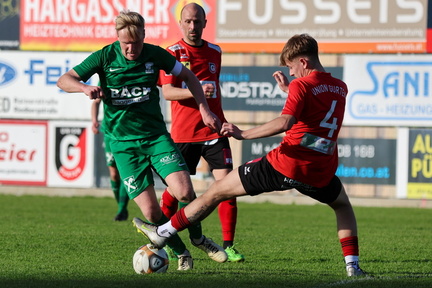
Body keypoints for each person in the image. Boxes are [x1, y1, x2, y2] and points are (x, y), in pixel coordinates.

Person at [133, 33, 367, 277]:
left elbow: (286, 121)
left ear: (304, 62)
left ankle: (163, 233)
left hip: (285, 165)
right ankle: (353, 267)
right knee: (343, 207)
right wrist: (291, 91)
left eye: (291, 67)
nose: (292, 74)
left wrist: (243, 134)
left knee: (216, 191)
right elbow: (316, 111)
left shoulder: (301, 84)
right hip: (320, 170)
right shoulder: (340, 87)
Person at [56, 10, 227, 271]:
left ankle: (199, 238)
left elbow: (190, 77)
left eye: (136, 42)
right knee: (151, 213)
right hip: (123, 145)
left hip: (156, 138)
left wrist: (204, 109)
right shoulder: (104, 56)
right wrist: (84, 87)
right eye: (126, 43)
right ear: (118, 38)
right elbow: (64, 79)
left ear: (144, 37)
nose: (131, 48)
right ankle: (181, 252)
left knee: (185, 191)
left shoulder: (154, 53)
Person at [158, 3, 244, 262]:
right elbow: (168, 92)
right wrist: (195, 91)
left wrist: (219, 116)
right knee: (175, 191)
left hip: (214, 130)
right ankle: (166, 238)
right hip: (185, 133)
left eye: (197, 21)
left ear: (205, 23)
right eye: (188, 21)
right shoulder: (172, 52)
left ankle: (229, 245)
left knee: (227, 185)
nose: (193, 27)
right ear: (181, 23)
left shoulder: (215, 51)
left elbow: (214, 90)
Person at [91, 98, 129, 221]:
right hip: (109, 132)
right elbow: (96, 101)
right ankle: (121, 207)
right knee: (113, 174)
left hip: (127, 132)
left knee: (126, 173)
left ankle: (122, 210)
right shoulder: (105, 79)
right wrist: (94, 121)